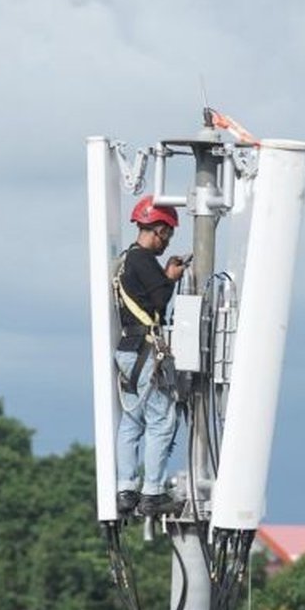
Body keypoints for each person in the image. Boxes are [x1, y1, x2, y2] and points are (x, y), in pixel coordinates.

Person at [113, 195, 189, 517]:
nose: (166, 241)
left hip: (129, 351)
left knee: (132, 421)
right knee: (162, 421)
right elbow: (157, 301)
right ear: (158, 229)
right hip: (146, 350)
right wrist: (171, 277)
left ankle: (126, 489)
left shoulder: (125, 260)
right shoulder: (143, 260)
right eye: (167, 234)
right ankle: (152, 493)